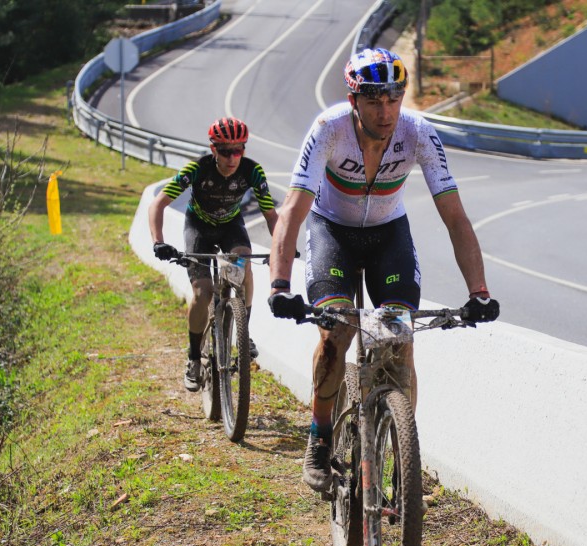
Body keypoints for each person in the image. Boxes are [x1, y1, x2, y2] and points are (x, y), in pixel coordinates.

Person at [266, 48, 500, 493]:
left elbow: (455, 218)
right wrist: (279, 284)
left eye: (394, 99)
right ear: (354, 101)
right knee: (335, 333)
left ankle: (399, 454)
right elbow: (293, 212)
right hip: (332, 231)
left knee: (399, 335)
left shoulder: (418, 133)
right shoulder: (328, 129)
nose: (386, 110)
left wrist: (480, 292)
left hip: (388, 234)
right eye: (374, 100)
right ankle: (318, 438)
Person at [149, 116, 278, 392]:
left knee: (244, 266)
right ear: (213, 149)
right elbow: (158, 203)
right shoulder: (198, 169)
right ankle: (194, 358)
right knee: (203, 292)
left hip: (231, 226)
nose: (232, 157)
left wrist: (283, 248)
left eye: (238, 150)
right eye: (225, 151)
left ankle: (244, 334)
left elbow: (271, 216)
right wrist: (158, 241)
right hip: (199, 228)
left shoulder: (252, 171)